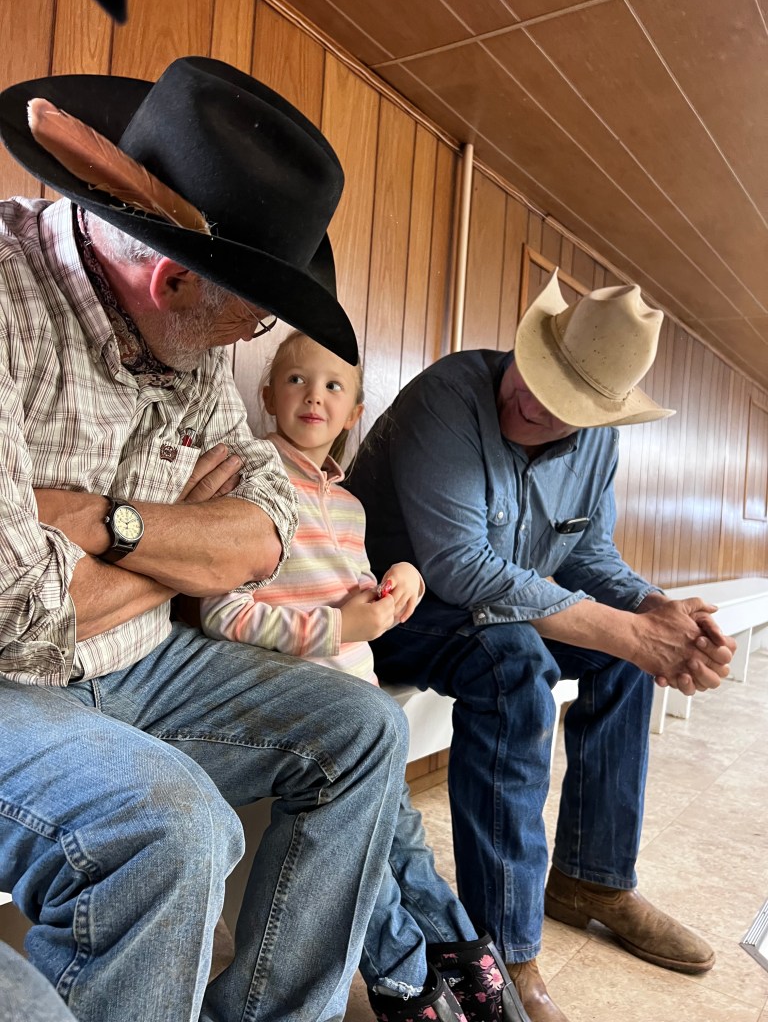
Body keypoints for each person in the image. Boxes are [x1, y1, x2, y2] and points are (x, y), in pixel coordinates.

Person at [0, 57, 410, 1022]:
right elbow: (16, 616)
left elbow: (267, 528)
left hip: (139, 660)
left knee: (363, 730)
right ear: (173, 274)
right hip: (12, 686)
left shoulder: (184, 326)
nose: (248, 336)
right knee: (172, 823)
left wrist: (108, 525)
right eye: (251, 318)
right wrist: (185, 547)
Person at [344, 271, 736, 1022]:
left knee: (617, 655)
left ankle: (594, 879)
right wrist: (630, 630)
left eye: (563, 404)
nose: (530, 402)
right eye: (535, 372)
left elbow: (588, 555)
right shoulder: (448, 396)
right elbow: (460, 567)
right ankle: (504, 952)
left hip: (488, 616)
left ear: (599, 415)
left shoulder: (599, 446)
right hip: (387, 609)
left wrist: (654, 611)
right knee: (516, 664)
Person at [201, 331, 531, 1022]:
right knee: (363, 855)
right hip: (292, 707)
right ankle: (408, 986)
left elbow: (355, 592)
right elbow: (221, 610)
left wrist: (400, 580)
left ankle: (469, 965)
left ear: (354, 412)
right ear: (267, 394)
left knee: (404, 842)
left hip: (362, 706)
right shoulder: (248, 479)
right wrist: (335, 628)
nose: (313, 396)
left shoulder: (349, 505)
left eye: (333, 386)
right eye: (296, 380)